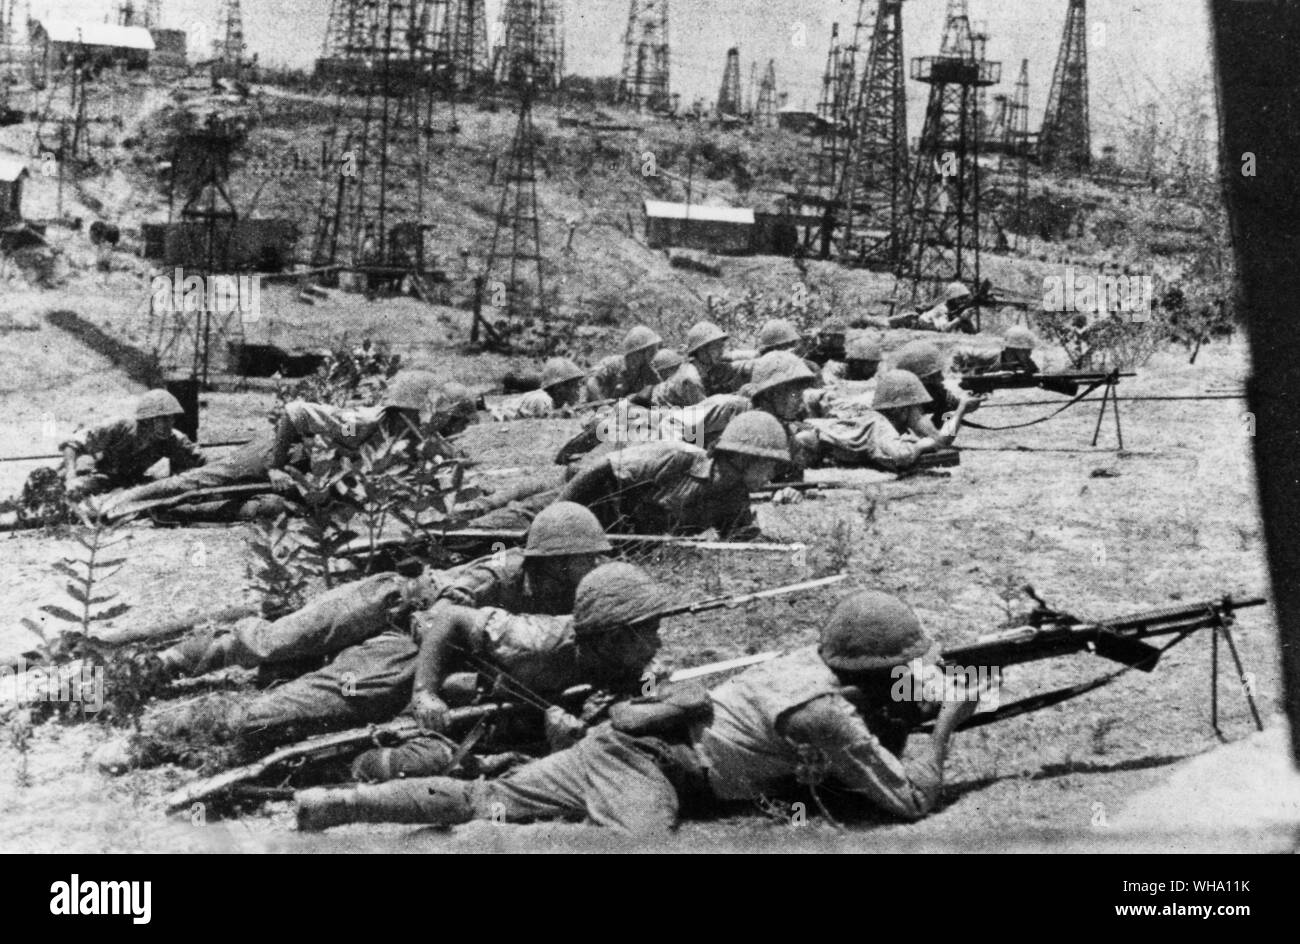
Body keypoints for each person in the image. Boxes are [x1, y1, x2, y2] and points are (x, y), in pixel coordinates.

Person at [294, 590, 985, 834]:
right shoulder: (824, 714)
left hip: (624, 740)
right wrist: (943, 718)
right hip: (655, 766)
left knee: (488, 796)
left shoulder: (802, 665)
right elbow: (912, 801)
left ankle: (342, 804)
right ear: (882, 668)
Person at [97, 562, 665, 774]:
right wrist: (425, 692)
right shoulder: (532, 637)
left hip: (449, 665)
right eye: (648, 630)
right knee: (287, 696)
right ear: (612, 634)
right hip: (407, 640)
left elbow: (648, 685)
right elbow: (447, 621)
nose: (657, 640)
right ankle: (151, 727)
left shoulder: (618, 656)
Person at [152, 501, 612, 681]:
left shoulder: (564, 591)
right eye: (586, 557)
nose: (594, 564)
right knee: (273, 642)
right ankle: (171, 662)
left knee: (303, 669)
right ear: (556, 559)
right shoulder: (501, 575)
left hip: (407, 636)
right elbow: (447, 611)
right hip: (389, 600)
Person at [100, 371, 471, 518]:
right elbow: (294, 412)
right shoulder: (363, 424)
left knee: (255, 504)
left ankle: (163, 513)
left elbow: (443, 454)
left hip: (305, 472)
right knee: (205, 480)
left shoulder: (411, 434)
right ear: (410, 409)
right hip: (279, 452)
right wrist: (277, 464)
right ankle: (116, 505)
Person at [558, 410, 788, 539]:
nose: (772, 474)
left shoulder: (734, 496)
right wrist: (554, 512)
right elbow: (599, 469)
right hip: (578, 494)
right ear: (744, 458)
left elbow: (743, 539)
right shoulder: (678, 457)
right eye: (769, 464)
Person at [806, 370, 976, 472]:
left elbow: (940, 440)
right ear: (901, 409)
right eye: (916, 407)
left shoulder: (885, 408)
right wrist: (960, 411)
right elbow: (936, 442)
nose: (941, 381)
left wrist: (956, 411)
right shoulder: (880, 421)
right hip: (809, 442)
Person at [58, 389, 204, 499]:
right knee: (72, 492)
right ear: (147, 420)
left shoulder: (172, 439)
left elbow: (199, 458)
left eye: (171, 418)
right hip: (92, 473)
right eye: (163, 419)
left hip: (126, 483)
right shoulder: (118, 426)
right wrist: (71, 474)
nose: (169, 423)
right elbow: (71, 444)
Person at [652, 321, 752, 407]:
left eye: (721, 346)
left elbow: (738, 367)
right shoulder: (690, 377)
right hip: (661, 411)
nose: (721, 351)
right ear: (702, 351)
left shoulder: (709, 367)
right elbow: (705, 414)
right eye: (716, 347)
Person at [892, 340, 980, 429]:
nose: (942, 378)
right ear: (923, 379)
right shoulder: (907, 405)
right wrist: (961, 410)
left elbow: (949, 403)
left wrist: (967, 402)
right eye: (936, 375)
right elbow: (940, 440)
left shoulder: (934, 391)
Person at [585, 325, 662, 402]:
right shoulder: (613, 364)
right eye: (651, 352)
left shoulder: (648, 371)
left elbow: (660, 391)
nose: (654, 355)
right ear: (637, 353)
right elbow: (591, 383)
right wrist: (603, 404)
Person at [493, 358, 586, 420]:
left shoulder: (556, 401)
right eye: (574, 385)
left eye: (579, 385)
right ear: (558, 388)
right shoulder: (542, 400)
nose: (578, 390)